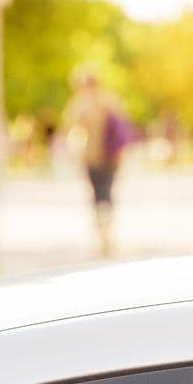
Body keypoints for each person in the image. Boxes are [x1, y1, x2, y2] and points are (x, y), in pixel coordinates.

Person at [61, 68, 126, 256]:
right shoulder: (111, 100)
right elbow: (122, 128)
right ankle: (107, 229)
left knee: (97, 192)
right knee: (107, 190)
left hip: (91, 155)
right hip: (112, 154)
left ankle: (102, 231)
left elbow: (71, 129)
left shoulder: (80, 104)